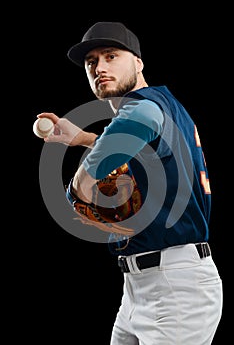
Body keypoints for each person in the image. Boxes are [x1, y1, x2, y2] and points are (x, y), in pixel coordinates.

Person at [37, 21, 223, 344]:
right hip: (140, 287)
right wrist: (81, 137)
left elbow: (83, 185)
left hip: (175, 289)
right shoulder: (162, 105)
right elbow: (143, 154)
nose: (100, 67)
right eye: (91, 62)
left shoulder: (142, 110)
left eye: (111, 56)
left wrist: (76, 192)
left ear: (138, 62)